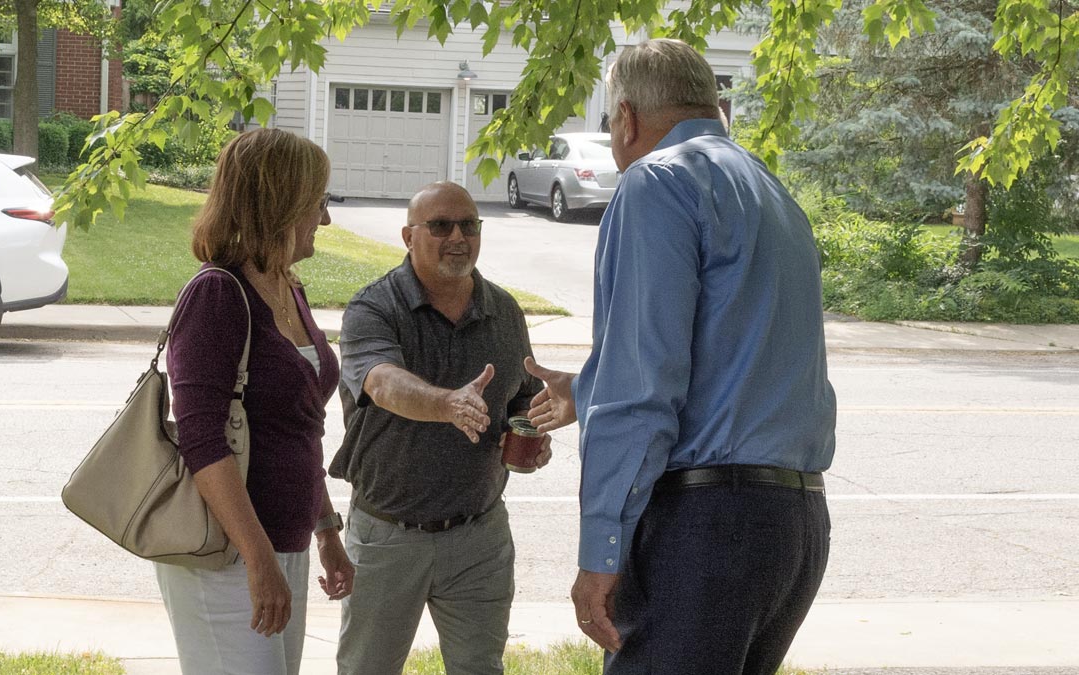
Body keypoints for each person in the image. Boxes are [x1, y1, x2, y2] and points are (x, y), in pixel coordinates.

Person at [524, 38, 837, 674]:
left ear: (628, 119)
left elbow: (643, 392)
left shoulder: (656, 182)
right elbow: (734, 360)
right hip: (794, 522)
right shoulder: (772, 193)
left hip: (708, 527)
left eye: (611, 121)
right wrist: (587, 390)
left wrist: (600, 553)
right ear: (716, 106)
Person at [330, 181, 551, 675]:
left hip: (479, 537)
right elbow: (381, 382)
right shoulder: (374, 308)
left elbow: (520, 402)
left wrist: (533, 440)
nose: (458, 236)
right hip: (389, 535)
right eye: (440, 226)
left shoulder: (504, 312)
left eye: (469, 225)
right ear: (408, 236)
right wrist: (447, 403)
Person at [156, 128, 354, 675]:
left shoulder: (288, 286)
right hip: (226, 555)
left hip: (282, 543)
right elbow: (202, 440)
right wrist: (257, 557)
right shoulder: (217, 295)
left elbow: (299, 430)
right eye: (318, 203)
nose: (326, 219)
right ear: (280, 202)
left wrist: (326, 530)